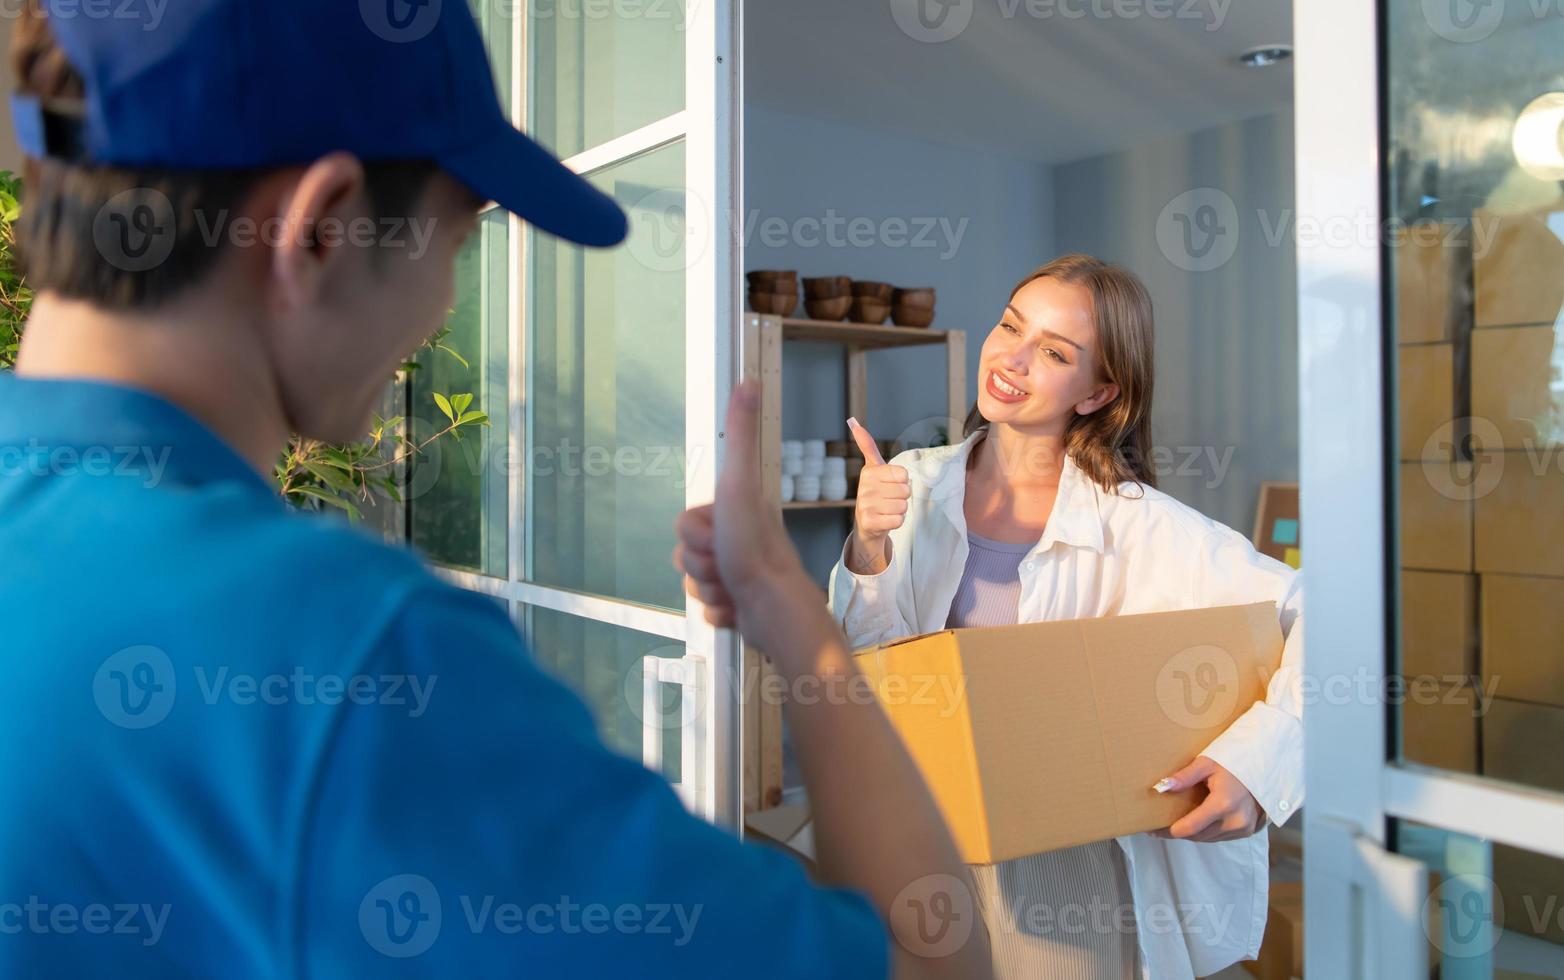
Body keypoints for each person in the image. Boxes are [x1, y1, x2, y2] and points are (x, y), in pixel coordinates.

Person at [0, 3, 992, 977]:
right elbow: (930, 951)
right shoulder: (342, 653)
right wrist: (792, 615)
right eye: (458, 241)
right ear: (322, 229)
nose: (442, 306)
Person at [834, 255, 1304, 980]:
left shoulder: (1141, 526)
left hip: (1060, 878)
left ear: (1098, 392)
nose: (1011, 359)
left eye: (1053, 353)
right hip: (920, 837)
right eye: (1010, 326)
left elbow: (1325, 620)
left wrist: (1255, 765)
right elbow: (868, 666)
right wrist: (867, 546)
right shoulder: (913, 483)